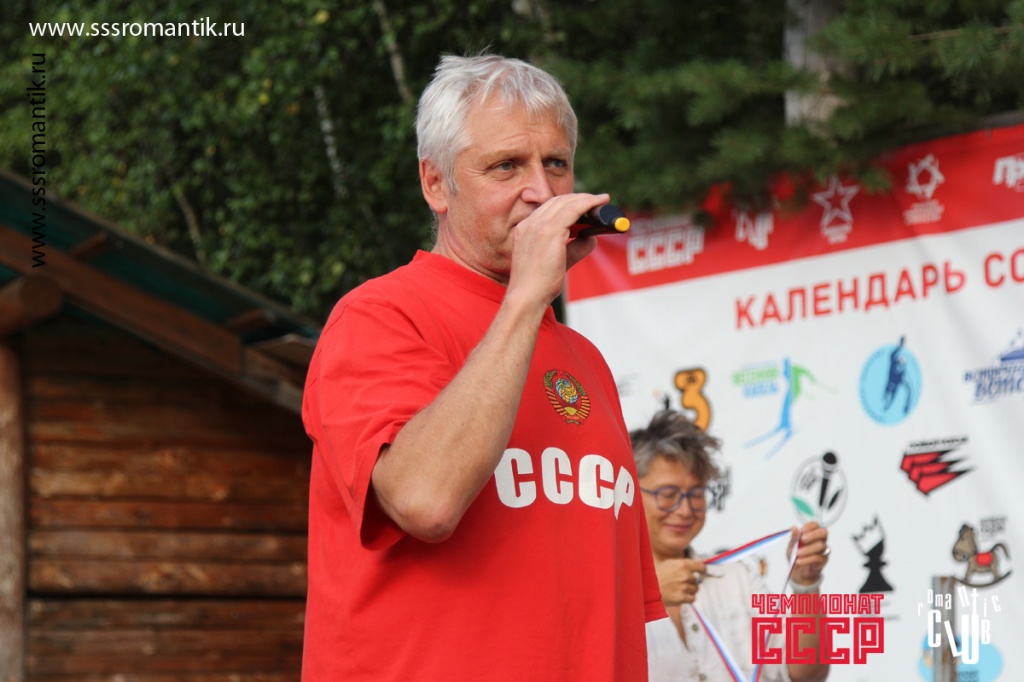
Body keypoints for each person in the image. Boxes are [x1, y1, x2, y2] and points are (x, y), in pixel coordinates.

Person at [300, 53, 666, 681]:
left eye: (556, 163)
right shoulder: (378, 316)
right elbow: (424, 501)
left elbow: (617, 617)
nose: (542, 192)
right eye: (506, 166)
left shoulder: (586, 361)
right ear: (436, 184)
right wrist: (526, 299)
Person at [631, 409, 831, 682]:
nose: (685, 510)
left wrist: (805, 583)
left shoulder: (737, 579)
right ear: (629, 491)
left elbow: (806, 673)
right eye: (668, 494)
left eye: (697, 494)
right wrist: (646, 596)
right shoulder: (608, 595)